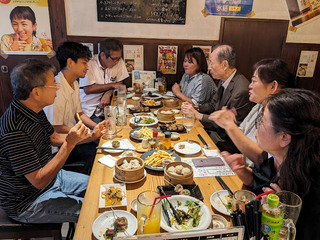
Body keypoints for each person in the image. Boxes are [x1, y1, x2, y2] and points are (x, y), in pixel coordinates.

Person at [0, 58, 106, 223]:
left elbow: (55, 138)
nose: (57, 89)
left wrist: (92, 135)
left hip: (53, 178)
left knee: (103, 189)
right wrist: (69, 144)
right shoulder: (15, 128)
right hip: (28, 201)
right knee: (96, 211)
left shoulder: (34, 109)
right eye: (53, 85)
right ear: (36, 92)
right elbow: (39, 180)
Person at [222, 89, 320, 239]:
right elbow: (264, 183)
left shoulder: (311, 188)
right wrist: (244, 173)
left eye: (261, 121)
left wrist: (282, 214)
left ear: (284, 138)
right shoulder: (276, 157)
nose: (257, 127)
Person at [208, 58, 298, 166]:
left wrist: (229, 126)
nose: (249, 86)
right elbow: (242, 131)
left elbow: (266, 160)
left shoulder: (282, 116)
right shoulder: (259, 106)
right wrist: (229, 124)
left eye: (254, 81)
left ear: (273, 86)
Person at [44, 41, 101, 174]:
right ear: (70, 62)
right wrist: (87, 134)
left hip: (71, 135)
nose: (87, 67)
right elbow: (56, 127)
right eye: (84, 63)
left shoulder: (74, 83)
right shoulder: (56, 88)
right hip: (59, 145)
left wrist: (95, 127)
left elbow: (79, 113)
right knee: (95, 152)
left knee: (99, 143)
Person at [182, 44, 254, 149]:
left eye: (211, 63)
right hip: (214, 132)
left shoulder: (241, 90)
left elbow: (227, 125)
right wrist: (195, 108)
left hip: (225, 141)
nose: (209, 67)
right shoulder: (223, 79)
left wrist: (199, 115)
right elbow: (212, 105)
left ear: (224, 65)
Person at [79, 38, 129, 123]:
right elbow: (88, 89)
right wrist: (112, 85)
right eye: (114, 59)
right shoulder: (89, 64)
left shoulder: (118, 61)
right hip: (89, 111)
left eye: (119, 58)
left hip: (108, 108)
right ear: (102, 55)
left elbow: (119, 83)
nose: (117, 62)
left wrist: (108, 93)